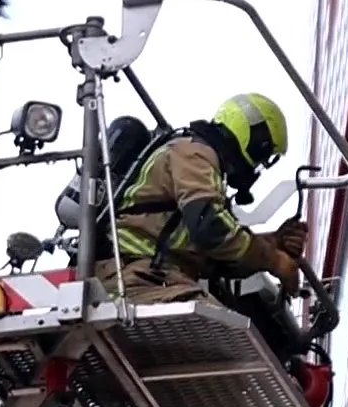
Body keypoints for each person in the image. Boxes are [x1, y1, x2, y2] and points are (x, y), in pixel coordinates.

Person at [99, 92, 308, 305]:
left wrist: (273, 242)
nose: (256, 169)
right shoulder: (194, 152)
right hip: (133, 276)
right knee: (226, 331)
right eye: (260, 156)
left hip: (153, 275)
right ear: (252, 139)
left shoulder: (204, 169)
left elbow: (217, 255)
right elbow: (210, 227)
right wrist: (274, 260)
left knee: (241, 328)